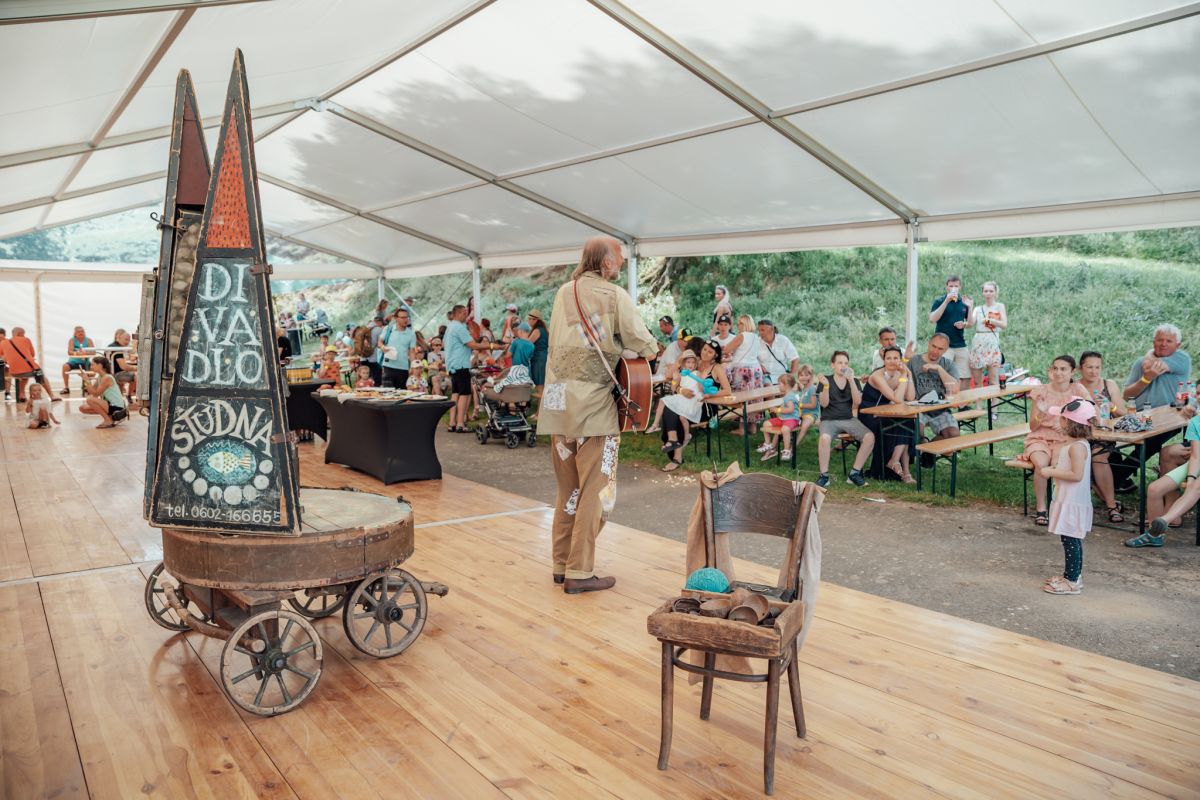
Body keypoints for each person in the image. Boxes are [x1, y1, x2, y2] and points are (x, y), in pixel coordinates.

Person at [538, 236, 658, 594]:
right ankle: (580, 571)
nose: (620, 264)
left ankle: (561, 564)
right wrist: (648, 349)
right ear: (605, 263)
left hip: (559, 406)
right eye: (618, 258)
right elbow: (642, 342)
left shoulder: (563, 292)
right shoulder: (614, 296)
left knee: (568, 490)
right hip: (593, 411)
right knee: (596, 491)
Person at [1024, 355, 1089, 526]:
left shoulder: (1078, 390)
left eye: (1063, 369)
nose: (1059, 372)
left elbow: (1090, 415)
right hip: (1040, 437)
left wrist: (1068, 427)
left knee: (1059, 465)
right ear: (1051, 370)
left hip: (1065, 438)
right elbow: (1033, 426)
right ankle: (1041, 508)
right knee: (1041, 463)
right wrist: (1041, 412)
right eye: (1055, 368)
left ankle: (1061, 507)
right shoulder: (1041, 391)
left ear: (1072, 371)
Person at [1040, 399, 1097, 595]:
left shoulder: (1077, 447)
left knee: (1071, 541)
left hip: (1073, 501)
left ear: (1070, 422)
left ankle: (1072, 581)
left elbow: (1076, 475)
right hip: (1067, 499)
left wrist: (1051, 472)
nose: (1058, 422)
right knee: (1069, 540)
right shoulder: (1074, 444)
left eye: (1061, 418)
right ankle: (1071, 576)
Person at [1073, 351, 1128, 523]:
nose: (1094, 371)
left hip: (1106, 432)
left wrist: (1109, 405)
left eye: (1097, 367)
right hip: (1079, 433)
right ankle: (1084, 504)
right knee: (1076, 455)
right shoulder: (1074, 386)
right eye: (1089, 367)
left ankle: (1111, 506)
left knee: (1098, 455)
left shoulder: (1108, 385)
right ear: (1080, 368)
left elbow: (1124, 414)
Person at [660, 340, 730, 472]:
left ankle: (677, 457)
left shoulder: (717, 368)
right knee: (670, 408)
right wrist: (680, 360)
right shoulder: (695, 362)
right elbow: (669, 376)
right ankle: (673, 440)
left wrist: (710, 395)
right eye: (704, 349)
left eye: (710, 352)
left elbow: (727, 390)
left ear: (715, 355)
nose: (706, 353)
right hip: (688, 401)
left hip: (706, 406)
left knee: (678, 414)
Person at [1138, 408, 1200, 547]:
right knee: (1154, 489)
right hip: (1197, 462)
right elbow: (1196, 456)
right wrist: (1190, 478)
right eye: (1198, 393)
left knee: (1197, 486)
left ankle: (1164, 521)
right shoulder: (1196, 422)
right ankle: (1155, 536)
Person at [815, 351, 875, 488]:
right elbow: (824, 404)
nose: (843, 366)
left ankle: (854, 473)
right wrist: (825, 387)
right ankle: (824, 476)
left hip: (848, 419)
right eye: (840, 363)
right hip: (829, 420)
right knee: (824, 438)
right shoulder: (826, 380)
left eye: (846, 363)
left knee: (870, 437)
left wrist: (851, 381)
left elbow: (857, 402)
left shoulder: (853, 381)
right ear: (833, 365)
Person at [861, 346, 917, 483]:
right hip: (870, 413)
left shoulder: (901, 372)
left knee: (908, 422)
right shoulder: (877, 375)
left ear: (900, 360)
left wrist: (908, 375)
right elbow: (897, 399)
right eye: (888, 358)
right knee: (900, 424)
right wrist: (903, 376)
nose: (892, 361)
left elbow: (910, 397)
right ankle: (898, 467)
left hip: (888, 411)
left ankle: (899, 465)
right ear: (883, 360)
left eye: (895, 358)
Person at [444, 305, 501, 432]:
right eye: (464, 313)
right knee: (464, 394)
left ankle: (452, 422)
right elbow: (472, 344)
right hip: (461, 364)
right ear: (458, 313)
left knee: (455, 393)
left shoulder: (450, 327)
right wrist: (493, 346)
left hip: (452, 364)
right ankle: (460, 424)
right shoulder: (459, 327)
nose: (466, 315)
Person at [908, 333, 962, 448]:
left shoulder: (948, 364)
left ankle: (928, 452)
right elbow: (902, 378)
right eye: (933, 346)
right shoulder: (914, 361)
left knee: (954, 435)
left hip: (940, 409)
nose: (935, 351)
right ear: (928, 344)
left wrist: (939, 369)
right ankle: (924, 449)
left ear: (945, 350)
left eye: (940, 349)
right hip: (918, 409)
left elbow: (955, 388)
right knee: (918, 434)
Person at [928, 275, 972, 390]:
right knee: (942, 374)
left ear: (960, 287)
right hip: (943, 346)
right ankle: (943, 402)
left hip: (960, 344)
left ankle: (963, 405)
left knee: (965, 376)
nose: (953, 288)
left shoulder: (963, 303)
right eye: (951, 286)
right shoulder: (939, 301)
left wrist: (969, 311)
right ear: (946, 287)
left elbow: (971, 324)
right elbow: (932, 319)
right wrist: (946, 302)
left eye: (956, 286)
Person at [726, 315, 765, 434]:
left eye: (740, 323)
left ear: (745, 324)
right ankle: (753, 426)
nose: (738, 326)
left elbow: (727, 349)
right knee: (754, 397)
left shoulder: (741, 335)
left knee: (742, 397)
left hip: (743, 370)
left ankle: (742, 428)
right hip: (756, 369)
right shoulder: (756, 337)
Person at [968, 281, 1007, 396]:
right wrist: (970, 308)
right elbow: (970, 323)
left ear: (995, 292)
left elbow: (1004, 324)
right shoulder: (978, 308)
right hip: (978, 343)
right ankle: (979, 408)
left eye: (991, 291)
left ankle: (994, 411)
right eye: (986, 291)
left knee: (993, 380)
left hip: (992, 343)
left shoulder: (1000, 306)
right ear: (982, 293)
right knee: (977, 381)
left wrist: (991, 321)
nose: (988, 293)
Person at [0, 327, 56, 403]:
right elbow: (32, 354)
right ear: (20, 333)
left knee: (23, 377)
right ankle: (52, 396)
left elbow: (3, 358)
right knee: (41, 375)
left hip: (13, 372)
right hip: (28, 370)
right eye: (23, 334)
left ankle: (22, 394)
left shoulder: (3, 343)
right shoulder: (26, 340)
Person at [759, 373, 803, 462]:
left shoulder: (789, 397)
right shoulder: (788, 395)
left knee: (785, 429)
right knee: (766, 424)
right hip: (783, 418)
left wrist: (778, 410)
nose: (778, 385)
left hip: (792, 419)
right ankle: (768, 443)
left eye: (780, 384)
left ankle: (786, 450)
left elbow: (791, 409)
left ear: (786, 385)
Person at [80, 356, 127, 428]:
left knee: (89, 400)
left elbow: (96, 393)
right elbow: (92, 392)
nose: (91, 367)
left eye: (93, 364)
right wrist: (86, 381)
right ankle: (110, 418)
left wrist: (87, 380)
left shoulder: (107, 377)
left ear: (100, 365)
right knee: (83, 408)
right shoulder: (100, 377)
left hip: (116, 407)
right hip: (110, 405)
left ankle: (108, 421)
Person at [378, 308, 417, 389]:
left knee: (402, 393)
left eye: (407, 317)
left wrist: (413, 367)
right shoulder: (388, 329)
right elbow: (379, 342)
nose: (405, 320)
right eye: (402, 317)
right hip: (388, 366)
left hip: (403, 368)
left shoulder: (411, 334)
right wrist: (383, 347)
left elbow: (412, 352)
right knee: (388, 393)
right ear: (396, 318)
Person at [757, 319, 800, 384]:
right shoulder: (757, 342)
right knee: (767, 385)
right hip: (765, 376)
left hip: (782, 376)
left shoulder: (783, 340)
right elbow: (751, 359)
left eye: (762, 330)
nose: (760, 333)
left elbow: (795, 359)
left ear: (771, 329)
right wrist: (759, 365)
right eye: (759, 330)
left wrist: (791, 377)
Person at [61, 325, 95, 395]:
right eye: (78, 332)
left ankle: (87, 386)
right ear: (75, 333)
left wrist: (85, 353)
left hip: (85, 362)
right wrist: (77, 353)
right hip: (74, 362)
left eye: (82, 331)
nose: (80, 333)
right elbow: (69, 352)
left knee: (93, 369)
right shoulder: (72, 340)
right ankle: (66, 387)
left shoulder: (88, 340)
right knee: (65, 366)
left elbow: (93, 352)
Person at [527, 309, 549, 396]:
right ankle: (540, 409)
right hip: (543, 358)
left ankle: (539, 410)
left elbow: (527, 344)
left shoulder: (537, 331)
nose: (528, 321)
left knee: (540, 386)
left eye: (529, 319)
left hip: (539, 359)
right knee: (542, 384)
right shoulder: (544, 330)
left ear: (535, 320)